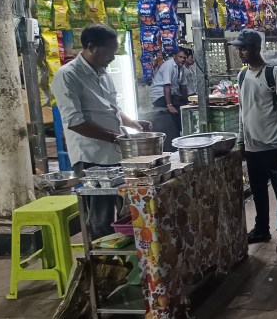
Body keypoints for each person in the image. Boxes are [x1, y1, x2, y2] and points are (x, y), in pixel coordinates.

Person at [51, 24, 151, 239]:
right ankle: (103, 266)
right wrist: (115, 138)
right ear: (91, 47)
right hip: (91, 158)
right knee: (99, 219)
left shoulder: (103, 73)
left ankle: (126, 264)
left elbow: (113, 109)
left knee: (127, 213)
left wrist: (134, 124)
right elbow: (75, 122)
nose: (112, 58)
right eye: (109, 52)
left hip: (115, 155)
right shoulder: (67, 76)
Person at [232, 30, 277, 252]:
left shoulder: (274, 73)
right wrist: (241, 142)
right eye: (239, 48)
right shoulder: (242, 76)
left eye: (244, 48)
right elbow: (242, 112)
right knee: (258, 190)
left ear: (257, 48)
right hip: (252, 147)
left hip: (274, 145)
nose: (240, 52)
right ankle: (261, 228)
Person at [150, 47, 189, 151]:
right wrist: (169, 105)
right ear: (174, 56)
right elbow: (166, 86)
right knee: (176, 109)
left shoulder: (182, 68)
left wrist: (187, 102)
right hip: (160, 96)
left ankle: (181, 137)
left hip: (172, 94)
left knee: (182, 107)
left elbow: (183, 86)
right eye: (180, 57)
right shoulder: (169, 66)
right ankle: (174, 142)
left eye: (184, 58)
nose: (182, 60)